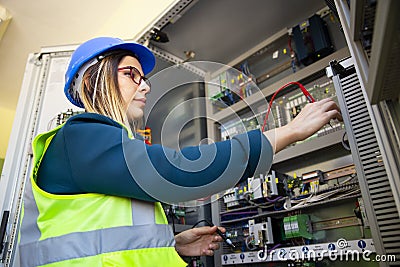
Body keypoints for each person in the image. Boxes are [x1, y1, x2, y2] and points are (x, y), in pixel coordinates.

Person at [18, 37, 342, 267]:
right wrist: (289, 131)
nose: (145, 86)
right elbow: (175, 172)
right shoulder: (79, 138)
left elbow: (104, 242)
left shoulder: (98, 146)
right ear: (93, 80)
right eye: (131, 74)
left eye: (144, 78)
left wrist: (172, 245)